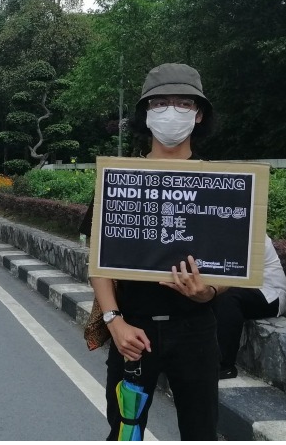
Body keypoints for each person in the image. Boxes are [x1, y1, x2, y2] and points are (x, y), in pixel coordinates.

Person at [80, 63, 219, 440]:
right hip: (133, 328)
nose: (171, 111)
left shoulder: (221, 183)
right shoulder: (118, 180)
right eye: (160, 103)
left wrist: (207, 292)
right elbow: (99, 259)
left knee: (202, 433)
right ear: (145, 113)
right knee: (125, 433)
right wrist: (115, 322)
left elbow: (234, 264)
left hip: (196, 331)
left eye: (183, 103)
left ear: (199, 114)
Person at [211, 241, 286, 378]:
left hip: (270, 294)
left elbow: (235, 273)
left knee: (227, 297)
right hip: (243, 288)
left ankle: (225, 366)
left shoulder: (251, 235)